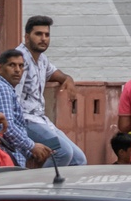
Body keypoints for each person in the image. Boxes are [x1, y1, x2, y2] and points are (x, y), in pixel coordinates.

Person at [18, 15, 87, 165]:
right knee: (63, 152)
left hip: (41, 119)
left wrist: (67, 79)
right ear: (27, 36)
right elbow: (13, 99)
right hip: (25, 120)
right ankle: (42, 188)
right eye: (38, 34)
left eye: (47, 35)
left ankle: (62, 189)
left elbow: (54, 73)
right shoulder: (18, 60)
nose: (43, 38)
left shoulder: (42, 59)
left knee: (79, 159)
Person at [0, 48, 53, 167]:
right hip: (5, 158)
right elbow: (6, 127)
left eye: (21, 66)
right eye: (12, 65)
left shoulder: (7, 89)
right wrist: (32, 146)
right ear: (0, 68)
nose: (17, 70)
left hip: (11, 156)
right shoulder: (1, 89)